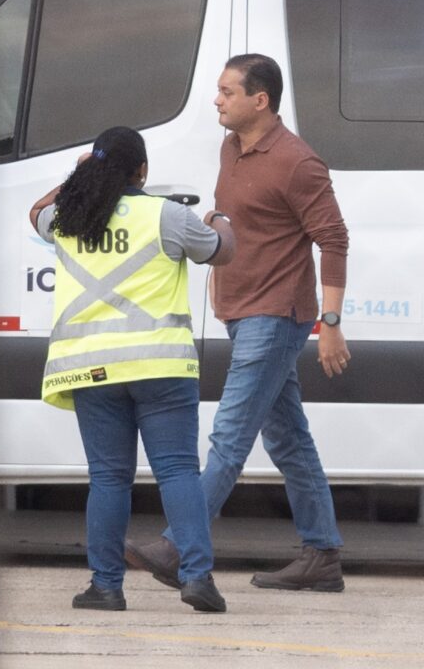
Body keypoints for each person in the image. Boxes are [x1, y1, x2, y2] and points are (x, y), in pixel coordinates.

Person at [126, 54, 350, 593]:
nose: (217, 99)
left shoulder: (299, 163)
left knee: (229, 435)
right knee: (290, 439)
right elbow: (241, 215)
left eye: (227, 91)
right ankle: (322, 555)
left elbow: (334, 240)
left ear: (260, 100)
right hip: (238, 309)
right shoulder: (233, 147)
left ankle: (180, 545)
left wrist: (332, 323)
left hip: (275, 315)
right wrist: (215, 222)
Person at [29, 125, 235, 612]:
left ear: (95, 168)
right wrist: (220, 221)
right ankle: (197, 578)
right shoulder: (168, 216)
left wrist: (77, 176)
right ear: (143, 171)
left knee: (107, 478)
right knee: (179, 472)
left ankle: (105, 586)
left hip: (92, 369)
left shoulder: (69, 215)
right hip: (159, 366)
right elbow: (222, 251)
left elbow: (33, 212)